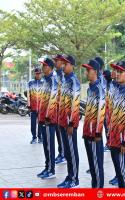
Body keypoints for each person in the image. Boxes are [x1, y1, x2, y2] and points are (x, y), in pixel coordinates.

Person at [57, 55, 80, 188]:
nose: (63, 66)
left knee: (71, 152)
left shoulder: (74, 81)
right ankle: (69, 176)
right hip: (62, 122)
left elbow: (74, 104)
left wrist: (71, 123)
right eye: (63, 64)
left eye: (65, 64)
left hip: (69, 124)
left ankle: (74, 179)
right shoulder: (64, 80)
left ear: (71, 65)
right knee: (67, 152)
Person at [82, 59, 105, 188]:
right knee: (92, 165)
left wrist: (97, 133)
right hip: (87, 132)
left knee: (97, 165)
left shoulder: (99, 90)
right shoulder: (91, 89)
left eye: (88, 70)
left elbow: (101, 113)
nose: (86, 73)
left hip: (95, 135)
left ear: (95, 72)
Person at [37, 58, 58, 179]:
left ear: (50, 67)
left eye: (44, 66)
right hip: (43, 118)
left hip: (49, 120)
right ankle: (47, 166)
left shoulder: (53, 81)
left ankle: (51, 170)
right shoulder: (45, 80)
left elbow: (53, 100)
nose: (42, 68)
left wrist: (48, 117)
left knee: (49, 144)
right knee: (45, 144)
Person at [52, 54, 66, 164]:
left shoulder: (63, 75)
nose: (55, 62)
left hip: (62, 110)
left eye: (57, 61)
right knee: (58, 132)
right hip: (56, 108)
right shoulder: (56, 74)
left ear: (62, 62)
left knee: (62, 133)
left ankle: (63, 154)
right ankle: (61, 153)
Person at [27, 67, 43, 144]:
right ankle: (34, 137)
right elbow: (28, 95)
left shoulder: (44, 83)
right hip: (33, 108)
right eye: (37, 73)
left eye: (39, 73)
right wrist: (29, 105)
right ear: (35, 74)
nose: (38, 75)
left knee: (40, 124)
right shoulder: (30, 83)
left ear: (41, 74)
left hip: (41, 108)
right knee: (33, 124)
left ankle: (40, 137)